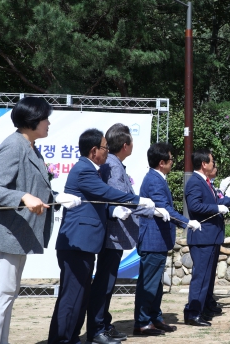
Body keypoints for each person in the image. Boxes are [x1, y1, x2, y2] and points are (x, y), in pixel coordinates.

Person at [0, 97, 80, 344]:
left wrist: (56, 197)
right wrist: (23, 196)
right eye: (45, 118)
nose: (49, 123)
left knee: (8, 295)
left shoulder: (30, 147)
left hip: (17, 236)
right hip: (6, 234)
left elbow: (33, 187)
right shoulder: (13, 146)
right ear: (33, 120)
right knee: (0, 296)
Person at [47, 128, 155, 344]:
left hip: (85, 244)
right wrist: (137, 200)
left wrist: (112, 210)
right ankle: (61, 339)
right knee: (72, 296)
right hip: (76, 243)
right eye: (105, 148)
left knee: (81, 296)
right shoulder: (85, 169)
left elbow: (98, 202)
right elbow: (106, 193)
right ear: (94, 150)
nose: (107, 151)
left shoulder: (91, 170)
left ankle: (72, 337)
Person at [85, 124, 155, 343]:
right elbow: (120, 198)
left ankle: (104, 324)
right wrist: (150, 208)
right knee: (104, 284)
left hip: (115, 235)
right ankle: (97, 329)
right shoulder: (113, 167)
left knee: (108, 283)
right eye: (131, 141)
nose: (133, 144)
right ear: (125, 145)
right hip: (111, 236)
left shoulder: (116, 165)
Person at [134, 142, 201, 335]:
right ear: (162, 162)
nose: (173, 162)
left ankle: (154, 317)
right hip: (152, 240)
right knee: (148, 283)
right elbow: (165, 209)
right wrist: (187, 222)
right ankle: (142, 321)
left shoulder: (158, 178)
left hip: (159, 239)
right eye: (171, 159)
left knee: (156, 283)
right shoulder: (154, 180)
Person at [183, 149, 230, 327]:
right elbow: (195, 206)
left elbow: (215, 202)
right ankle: (193, 313)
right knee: (201, 277)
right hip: (203, 237)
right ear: (204, 164)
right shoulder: (195, 182)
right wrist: (216, 209)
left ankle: (203, 308)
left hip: (211, 237)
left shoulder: (205, 182)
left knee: (208, 278)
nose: (214, 164)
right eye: (212, 161)